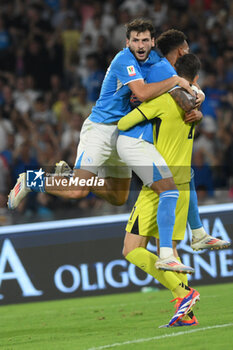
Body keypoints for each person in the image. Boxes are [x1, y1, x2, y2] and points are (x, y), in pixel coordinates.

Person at [8, 20, 193, 210]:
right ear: (127, 43)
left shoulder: (156, 61)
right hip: (101, 130)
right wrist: (175, 80)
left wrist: (195, 103)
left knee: (118, 196)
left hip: (124, 135)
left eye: (145, 40)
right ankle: (31, 180)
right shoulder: (124, 60)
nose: (140, 45)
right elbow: (143, 93)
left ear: (153, 42)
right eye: (135, 40)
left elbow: (186, 88)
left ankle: (70, 176)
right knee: (77, 191)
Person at [116, 30, 230, 274]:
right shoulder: (168, 76)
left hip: (158, 174)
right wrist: (198, 102)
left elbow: (127, 122)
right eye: (186, 48)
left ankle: (184, 296)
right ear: (181, 51)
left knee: (136, 249)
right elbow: (190, 95)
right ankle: (197, 233)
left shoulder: (166, 85)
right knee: (163, 247)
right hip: (172, 171)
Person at [119, 53, 202, 328]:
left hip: (157, 183)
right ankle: (187, 315)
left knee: (131, 249)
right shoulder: (193, 104)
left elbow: (123, 125)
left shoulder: (162, 101)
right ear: (196, 79)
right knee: (171, 251)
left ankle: (183, 294)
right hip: (182, 185)